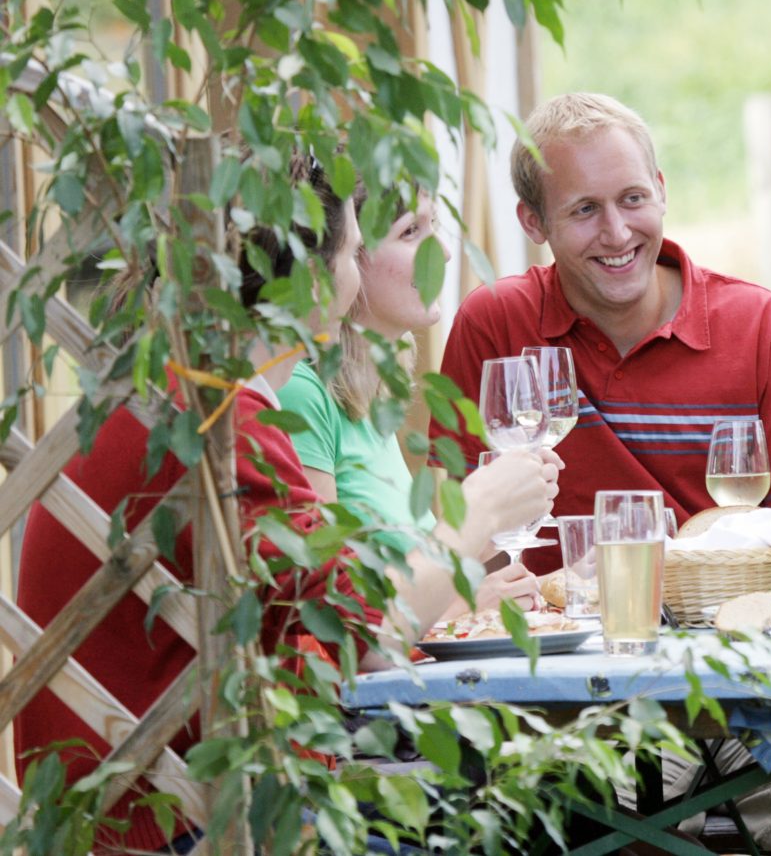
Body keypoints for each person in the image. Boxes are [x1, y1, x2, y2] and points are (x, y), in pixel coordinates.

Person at [431, 92, 771, 852]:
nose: (617, 232)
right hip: (586, 694)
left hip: (761, 672)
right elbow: (445, 527)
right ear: (533, 224)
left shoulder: (755, 324)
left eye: (633, 199)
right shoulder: (494, 327)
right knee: (607, 827)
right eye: (584, 211)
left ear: (662, 189)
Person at [15, 157, 557, 853]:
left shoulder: (169, 395)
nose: (362, 269)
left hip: (136, 803)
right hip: (168, 822)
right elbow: (355, 637)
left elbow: (307, 630)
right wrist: (473, 514)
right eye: (357, 251)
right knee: (509, 805)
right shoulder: (219, 421)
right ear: (309, 277)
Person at [280, 186, 547, 614]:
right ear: (344, 260)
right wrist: (467, 599)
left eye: (434, 227)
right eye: (410, 233)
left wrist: (563, 578)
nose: (441, 252)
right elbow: (328, 613)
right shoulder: (302, 392)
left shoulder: (367, 400)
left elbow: (418, 578)